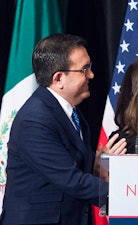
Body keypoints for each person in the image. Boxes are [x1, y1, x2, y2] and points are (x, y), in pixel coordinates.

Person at [0, 33, 127, 225]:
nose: (91, 75)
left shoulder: (71, 113)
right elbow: (72, 180)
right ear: (59, 78)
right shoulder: (35, 120)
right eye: (84, 69)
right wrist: (133, 195)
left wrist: (96, 164)